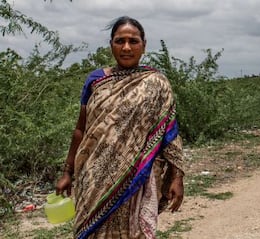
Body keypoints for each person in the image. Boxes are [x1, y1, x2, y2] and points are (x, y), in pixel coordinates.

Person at [55, 16, 185, 239]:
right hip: (93, 177)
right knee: (90, 229)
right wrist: (67, 172)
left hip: (138, 177)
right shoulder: (95, 80)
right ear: (111, 45)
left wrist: (177, 177)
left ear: (144, 45)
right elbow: (80, 129)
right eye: (119, 41)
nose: (126, 47)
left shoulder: (156, 82)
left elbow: (169, 133)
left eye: (133, 41)